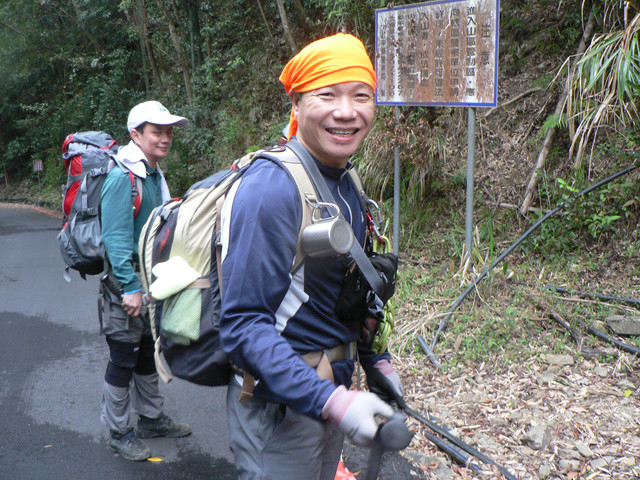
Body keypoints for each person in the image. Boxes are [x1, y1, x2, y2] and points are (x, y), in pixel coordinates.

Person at [219, 33, 405, 480]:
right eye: (327, 95)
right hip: (280, 407)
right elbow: (242, 324)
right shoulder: (271, 190)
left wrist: (375, 360)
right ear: (297, 103)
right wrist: (334, 401)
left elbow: (344, 292)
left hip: (330, 395)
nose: (347, 111)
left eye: (361, 95)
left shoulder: (346, 180)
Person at [99, 101, 192, 461]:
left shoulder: (153, 174)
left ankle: (151, 418)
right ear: (135, 135)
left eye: (168, 131)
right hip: (126, 283)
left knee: (147, 353)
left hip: (152, 279)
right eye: (157, 131)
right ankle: (119, 432)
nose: (165, 138)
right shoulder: (122, 178)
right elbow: (116, 239)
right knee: (123, 358)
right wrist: (130, 288)